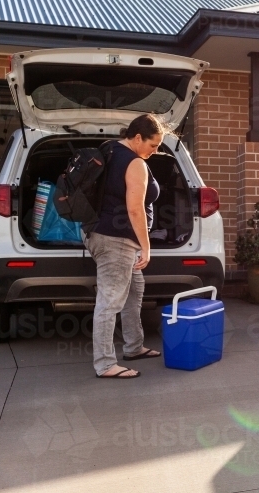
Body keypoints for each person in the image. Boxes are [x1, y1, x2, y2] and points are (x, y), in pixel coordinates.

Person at [84, 113, 165, 379]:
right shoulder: (134, 163)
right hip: (117, 239)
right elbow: (135, 209)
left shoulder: (110, 148)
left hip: (100, 233)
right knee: (110, 300)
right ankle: (105, 364)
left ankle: (133, 346)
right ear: (138, 137)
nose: (156, 151)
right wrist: (146, 246)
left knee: (135, 288)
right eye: (153, 145)